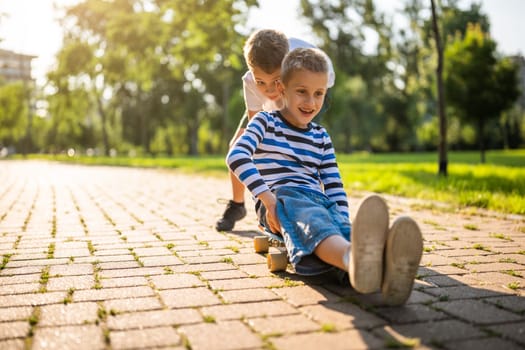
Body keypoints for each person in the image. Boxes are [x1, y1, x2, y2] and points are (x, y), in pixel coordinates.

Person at [226, 47, 423, 305]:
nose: (311, 102)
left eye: (318, 94)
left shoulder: (321, 136)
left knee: (341, 226)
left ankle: (383, 269)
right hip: (281, 200)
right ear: (282, 88)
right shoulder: (264, 122)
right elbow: (236, 157)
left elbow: (333, 183)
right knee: (313, 217)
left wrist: (340, 214)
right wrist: (269, 200)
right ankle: (353, 258)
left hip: (318, 201)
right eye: (302, 92)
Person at [215, 29, 335, 231]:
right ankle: (237, 205)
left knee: (302, 146)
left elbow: (317, 86)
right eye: (261, 81)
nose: (269, 90)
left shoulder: (308, 67)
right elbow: (258, 142)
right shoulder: (251, 82)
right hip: (271, 103)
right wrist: (265, 200)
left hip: (305, 90)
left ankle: (313, 200)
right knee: (237, 144)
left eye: (275, 81)